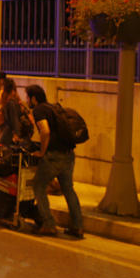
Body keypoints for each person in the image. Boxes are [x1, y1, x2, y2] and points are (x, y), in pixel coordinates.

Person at [28, 84, 83, 239]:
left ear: (33, 98)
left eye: (28, 98)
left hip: (54, 156)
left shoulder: (39, 110)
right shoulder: (53, 107)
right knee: (68, 189)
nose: (28, 101)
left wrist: (41, 152)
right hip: (69, 155)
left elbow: (45, 131)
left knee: (38, 185)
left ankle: (48, 224)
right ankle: (78, 227)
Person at [0, 78, 27, 146]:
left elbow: (14, 119)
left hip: (9, 131)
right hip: (8, 129)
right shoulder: (11, 100)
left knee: (0, 149)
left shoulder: (11, 102)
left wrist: (16, 134)